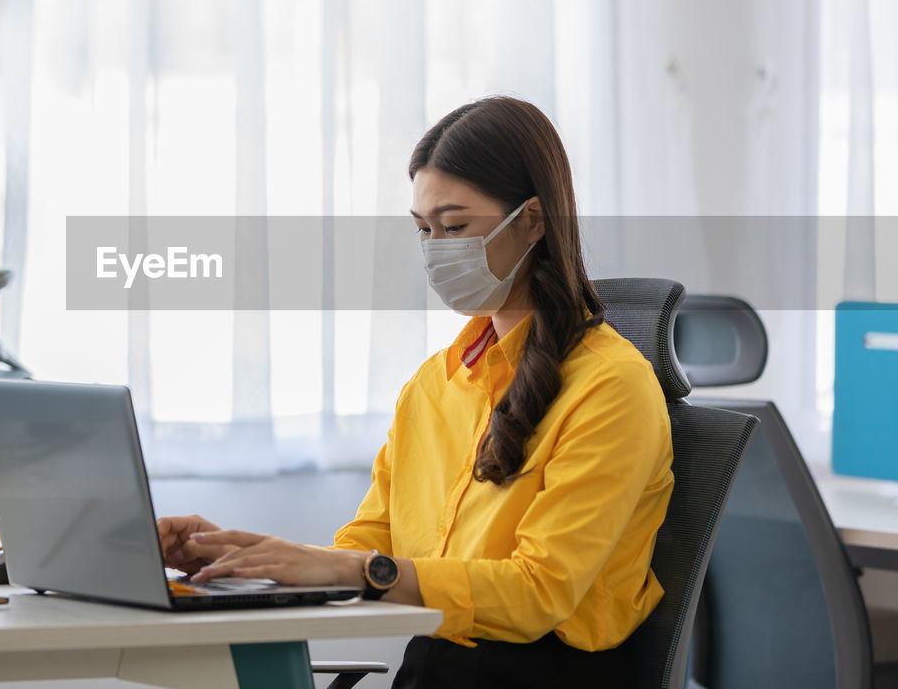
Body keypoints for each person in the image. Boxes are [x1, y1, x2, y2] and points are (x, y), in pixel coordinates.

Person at [157, 96, 673, 689]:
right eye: (423, 230)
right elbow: (369, 546)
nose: (435, 249)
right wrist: (243, 563)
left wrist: (353, 569)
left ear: (532, 221)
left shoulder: (612, 387)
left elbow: (539, 593)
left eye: (454, 227)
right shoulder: (435, 384)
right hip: (435, 670)